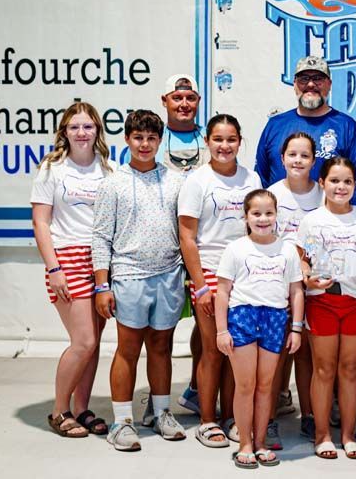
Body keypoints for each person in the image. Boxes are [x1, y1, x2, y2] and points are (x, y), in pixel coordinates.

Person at [93, 110, 187, 451]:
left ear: (160, 141)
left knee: (162, 347)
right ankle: (121, 421)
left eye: (151, 138)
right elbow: (101, 236)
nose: (144, 144)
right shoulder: (113, 183)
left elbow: (186, 232)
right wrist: (102, 285)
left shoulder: (176, 181)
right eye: (138, 138)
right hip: (129, 275)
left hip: (169, 275)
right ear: (127, 140)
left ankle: (160, 413)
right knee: (128, 349)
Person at [178, 114, 262, 448]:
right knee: (213, 350)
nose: (224, 146)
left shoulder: (251, 178)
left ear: (240, 141)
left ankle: (231, 416)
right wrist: (200, 285)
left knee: (235, 351)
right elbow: (187, 236)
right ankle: (207, 420)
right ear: (207, 141)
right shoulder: (197, 181)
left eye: (231, 139)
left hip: (244, 275)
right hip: (210, 273)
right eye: (218, 139)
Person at [31, 101, 114, 438]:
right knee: (83, 341)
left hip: (101, 262)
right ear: (64, 131)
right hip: (67, 259)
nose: (81, 133)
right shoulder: (51, 169)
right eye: (75, 126)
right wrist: (54, 269)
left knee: (93, 344)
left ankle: (81, 409)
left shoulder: (108, 170)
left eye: (88, 126)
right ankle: (59, 411)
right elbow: (40, 222)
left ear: (97, 131)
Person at [297, 157, 356, 460]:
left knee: (349, 368)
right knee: (324, 369)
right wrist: (307, 276)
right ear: (322, 183)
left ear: (355, 185)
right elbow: (303, 259)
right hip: (322, 301)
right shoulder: (312, 220)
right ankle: (322, 435)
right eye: (334, 181)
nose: (341, 187)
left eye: (347, 181)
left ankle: (348, 435)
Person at [215, 189, 305, 468]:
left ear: (277, 215)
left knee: (266, 386)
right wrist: (221, 330)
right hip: (243, 316)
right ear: (246, 217)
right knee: (246, 385)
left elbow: (296, 291)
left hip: (275, 318)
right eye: (256, 213)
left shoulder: (287, 250)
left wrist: (296, 328)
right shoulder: (235, 249)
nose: (263, 219)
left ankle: (261, 442)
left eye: (268, 213)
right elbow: (222, 291)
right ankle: (244, 443)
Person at [141, 73, 210, 428]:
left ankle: (198, 389)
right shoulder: (153, 140)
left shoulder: (210, 139)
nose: (184, 104)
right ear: (164, 101)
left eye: (190, 98)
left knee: (206, 323)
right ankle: (158, 400)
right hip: (164, 249)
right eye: (177, 97)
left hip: (201, 246)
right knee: (160, 332)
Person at [266, 132, 324, 446]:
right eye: (292, 154)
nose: (298, 161)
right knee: (277, 353)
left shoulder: (323, 194)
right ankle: (269, 418)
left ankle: (310, 415)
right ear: (282, 158)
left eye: (304, 155)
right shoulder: (272, 193)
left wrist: (312, 271)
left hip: (314, 286)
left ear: (313, 160)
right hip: (278, 286)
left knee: (305, 354)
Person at [255, 55, 356, 208]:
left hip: (330, 220)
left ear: (329, 84)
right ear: (294, 84)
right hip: (280, 219)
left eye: (318, 78)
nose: (311, 84)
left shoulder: (347, 127)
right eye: (304, 79)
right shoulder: (275, 125)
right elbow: (260, 181)